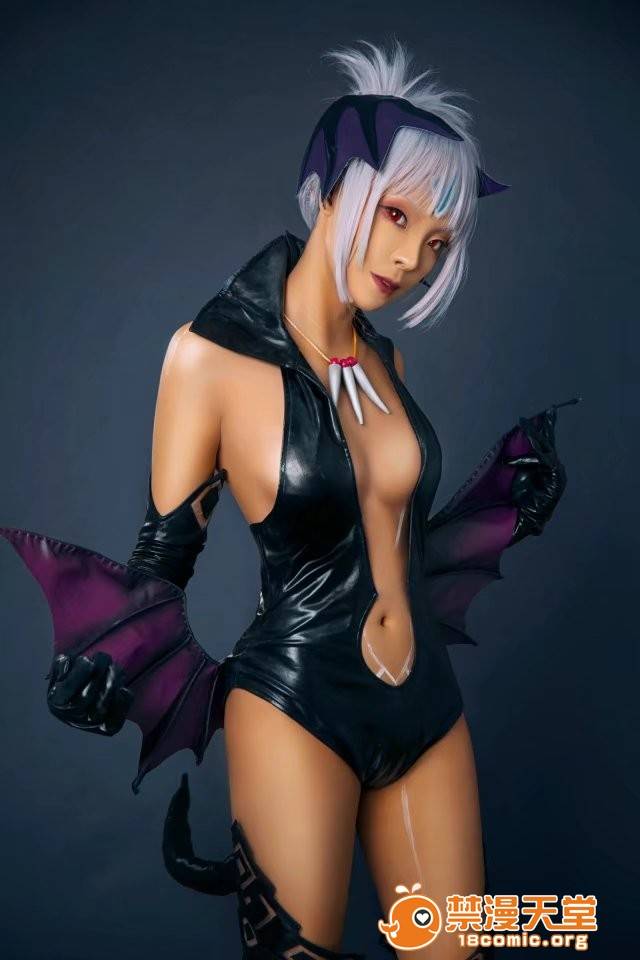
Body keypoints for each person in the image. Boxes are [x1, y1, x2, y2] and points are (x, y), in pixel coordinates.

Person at [1, 39, 576, 960]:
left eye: (437, 244)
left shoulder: (386, 361)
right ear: (335, 186)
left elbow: (381, 540)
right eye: (395, 215)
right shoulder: (209, 357)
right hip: (296, 704)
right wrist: (105, 662)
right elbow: (162, 561)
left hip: (426, 701)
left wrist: (504, 505)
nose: (410, 259)